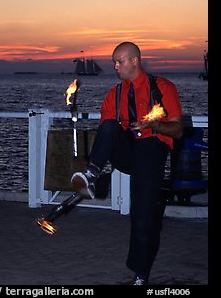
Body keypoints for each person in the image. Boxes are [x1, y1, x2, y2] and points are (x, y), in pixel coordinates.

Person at [71, 42, 183, 286]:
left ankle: (140, 274)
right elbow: (107, 134)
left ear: (135, 60)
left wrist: (154, 125)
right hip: (127, 153)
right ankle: (91, 175)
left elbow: (177, 130)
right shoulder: (114, 94)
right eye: (113, 62)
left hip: (151, 154)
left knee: (142, 218)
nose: (115, 66)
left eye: (119, 61)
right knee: (109, 126)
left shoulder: (162, 88)